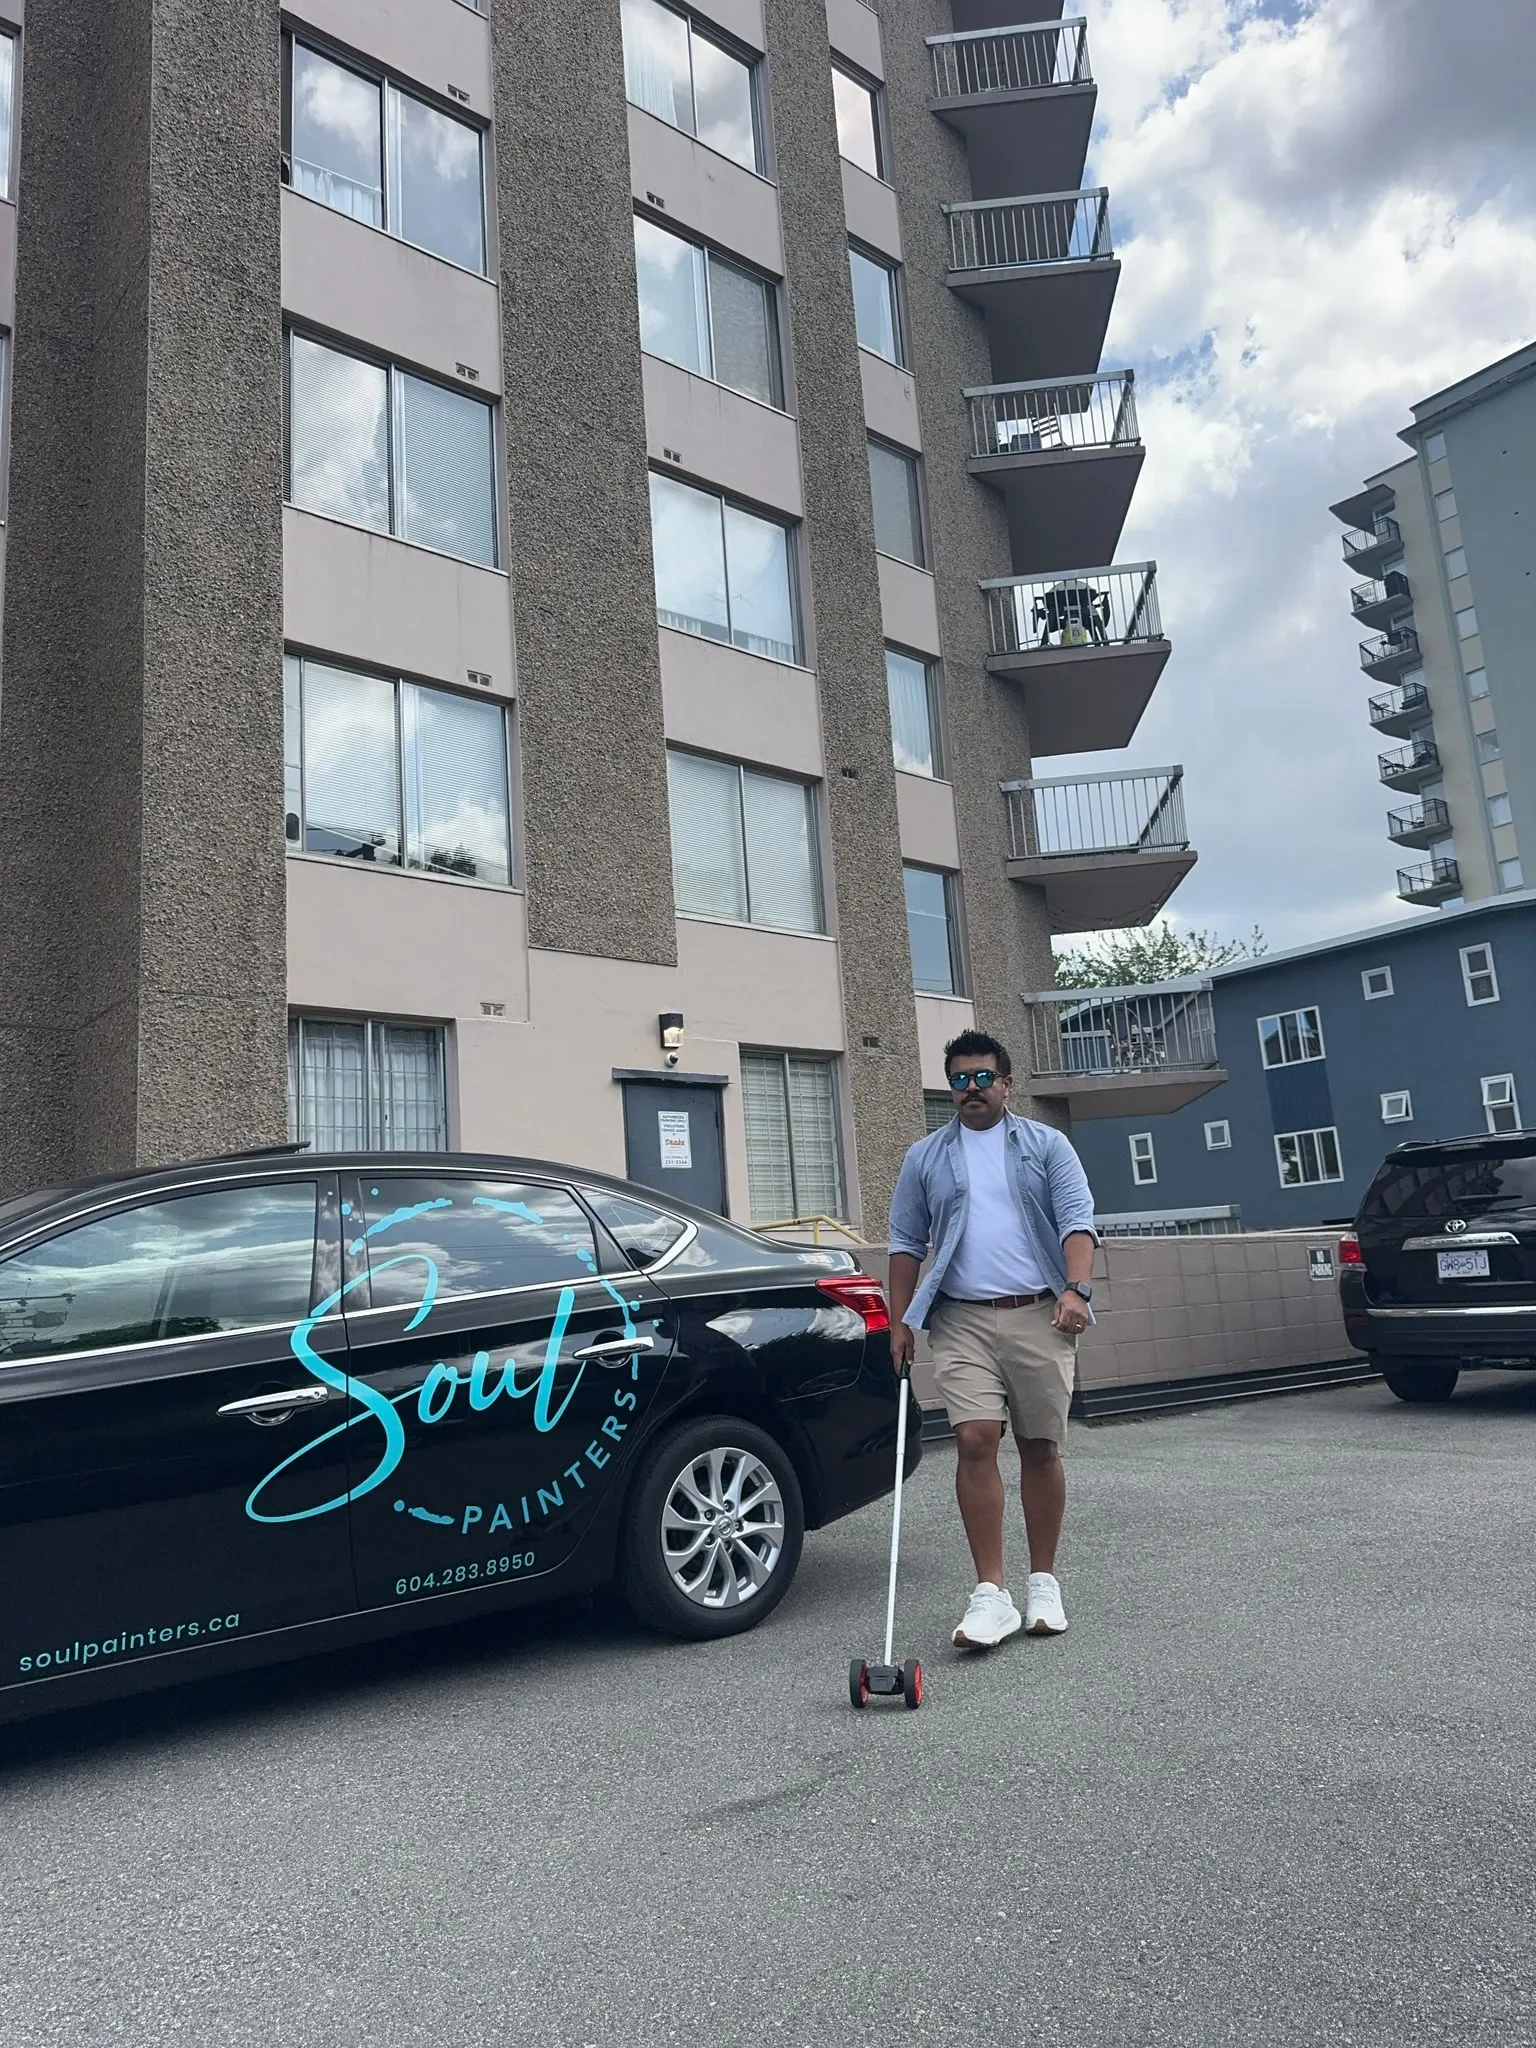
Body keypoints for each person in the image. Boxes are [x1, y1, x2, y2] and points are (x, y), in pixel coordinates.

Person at [887, 1030, 1098, 1649]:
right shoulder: (924, 1157)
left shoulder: (1047, 1145)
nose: (970, 1089)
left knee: (1039, 1448)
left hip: (1041, 1314)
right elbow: (904, 1243)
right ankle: (990, 1593)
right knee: (975, 1439)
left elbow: (1077, 1223)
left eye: (982, 1078)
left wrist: (1076, 1290)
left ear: (1006, 1084)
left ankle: (1043, 1583)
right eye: (958, 1080)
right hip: (961, 1318)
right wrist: (900, 1322)